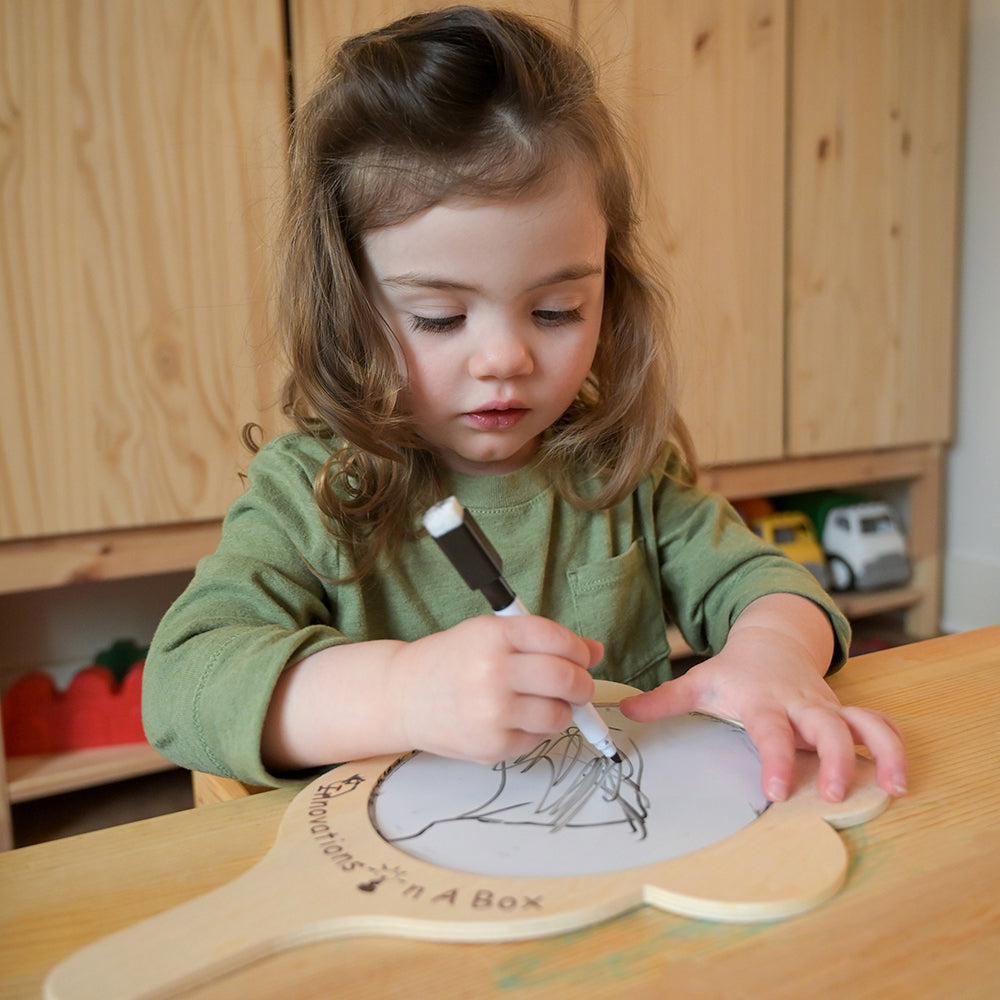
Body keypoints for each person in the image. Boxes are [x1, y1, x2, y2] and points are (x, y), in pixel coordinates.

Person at [143, 5, 906, 805]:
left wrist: (773, 654)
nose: (506, 358)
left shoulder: (620, 471)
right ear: (349, 308)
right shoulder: (309, 493)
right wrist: (403, 692)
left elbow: (765, 583)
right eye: (438, 318)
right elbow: (183, 680)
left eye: (555, 311)